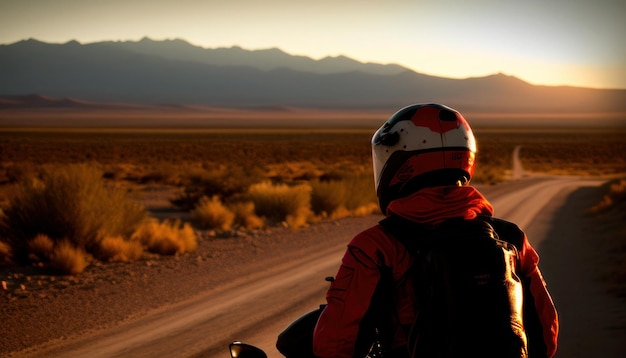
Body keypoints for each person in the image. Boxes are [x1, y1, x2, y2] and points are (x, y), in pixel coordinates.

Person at [312, 103, 559, 358]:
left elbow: (334, 344)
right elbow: (546, 335)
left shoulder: (376, 246)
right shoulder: (511, 238)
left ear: (400, 163)